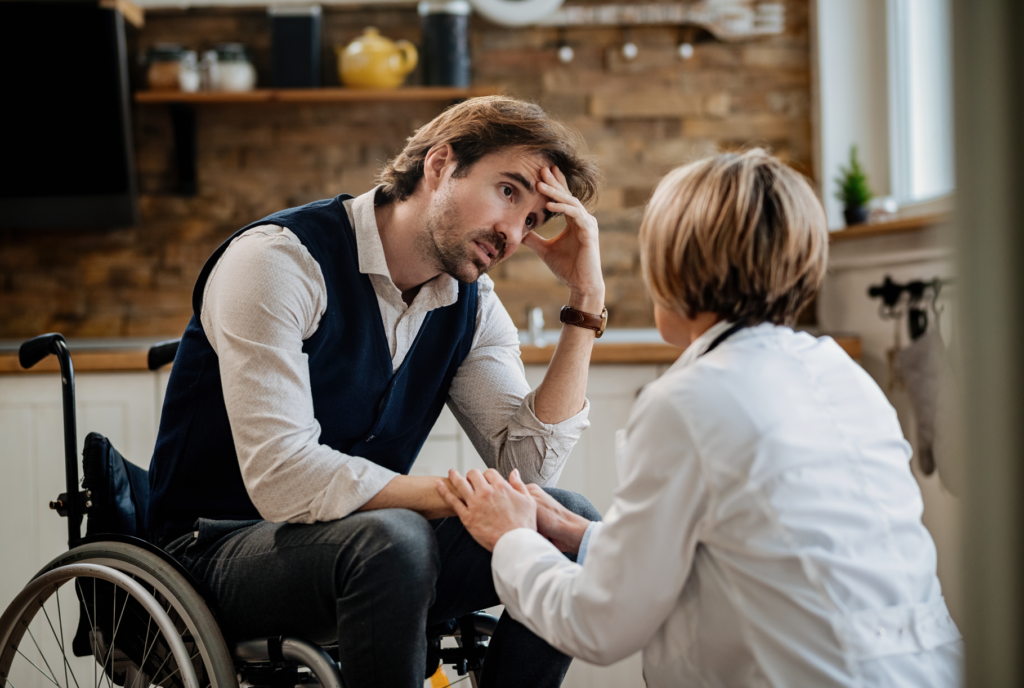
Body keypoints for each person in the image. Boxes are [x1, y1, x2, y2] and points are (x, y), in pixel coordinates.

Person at [437, 150, 964, 686]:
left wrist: (511, 538)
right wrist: (585, 537)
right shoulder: (841, 373)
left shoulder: (689, 400)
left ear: (675, 267)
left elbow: (598, 625)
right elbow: (752, 548)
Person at [146, 96, 604, 688]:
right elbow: (283, 477)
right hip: (209, 553)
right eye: (510, 191)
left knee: (565, 525)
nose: (512, 233)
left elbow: (529, 468)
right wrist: (457, 495)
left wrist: (585, 303)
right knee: (396, 536)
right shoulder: (280, 261)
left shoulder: (471, 307)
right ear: (440, 164)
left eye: (534, 220)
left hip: (362, 552)